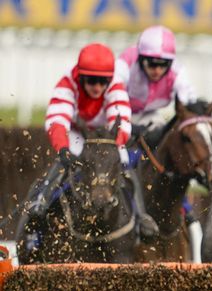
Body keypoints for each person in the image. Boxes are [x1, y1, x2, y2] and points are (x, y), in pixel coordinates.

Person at [24, 43, 159, 240]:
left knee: (124, 162)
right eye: (91, 81)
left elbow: (121, 120)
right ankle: (40, 203)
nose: (97, 87)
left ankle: (141, 217)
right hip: (78, 133)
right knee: (63, 162)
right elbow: (58, 120)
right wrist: (62, 148)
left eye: (102, 82)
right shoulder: (67, 83)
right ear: (80, 77)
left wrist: (116, 142)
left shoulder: (116, 85)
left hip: (106, 136)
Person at [114, 25, 196, 147]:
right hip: (116, 113)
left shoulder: (177, 72)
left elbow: (189, 107)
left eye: (163, 65)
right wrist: (128, 126)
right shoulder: (126, 62)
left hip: (149, 115)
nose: (157, 71)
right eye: (152, 64)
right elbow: (112, 96)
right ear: (141, 59)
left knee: (162, 135)